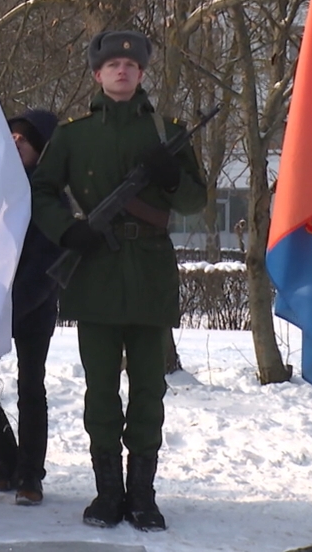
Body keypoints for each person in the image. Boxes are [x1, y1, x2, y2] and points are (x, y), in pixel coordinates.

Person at [30, 31, 207, 532]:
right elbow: (42, 189)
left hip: (150, 270)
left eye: (131, 64)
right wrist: (69, 230)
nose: (122, 71)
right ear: (97, 74)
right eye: (113, 64)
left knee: (149, 390)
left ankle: (142, 494)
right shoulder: (74, 135)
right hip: (97, 274)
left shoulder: (166, 131)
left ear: (143, 74)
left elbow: (195, 200)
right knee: (100, 390)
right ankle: (108, 492)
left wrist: (170, 174)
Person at [0, 109, 60, 506]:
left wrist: (9, 308)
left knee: (30, 386)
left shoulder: (50, 193)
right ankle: (5, 459)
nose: (16, 142)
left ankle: (29, 475)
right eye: (12, 136)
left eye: (25, 139)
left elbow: (45, 262)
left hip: (31, 304)